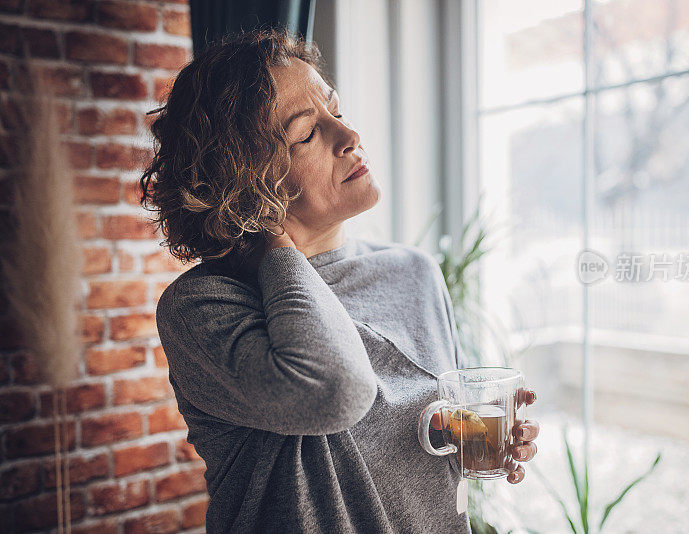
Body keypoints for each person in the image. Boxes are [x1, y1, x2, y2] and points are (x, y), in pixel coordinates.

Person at [140, 27, 539, 533]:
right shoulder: (203, 306)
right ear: (243, 179)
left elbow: (404, 427)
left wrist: (460, 431)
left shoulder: (412, 272)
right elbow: (335, 392)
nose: (349, 137)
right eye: (307, 133)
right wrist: (273, 241)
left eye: (337, 110)